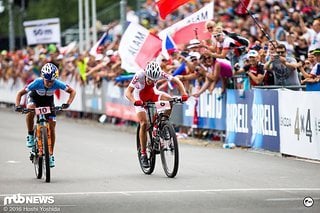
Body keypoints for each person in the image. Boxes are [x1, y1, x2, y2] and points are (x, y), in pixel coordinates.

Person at [125, 61, 188, 168]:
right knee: (144, 123)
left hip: (152, 93)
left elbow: (176, 80)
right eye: (149, 79)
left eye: (154, 80)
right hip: (139, 97)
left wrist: (184, 93)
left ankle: (162, 124)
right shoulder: (139, 74)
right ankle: (143, 154)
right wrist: (134, 101)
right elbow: (128, 92)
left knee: (169, 100)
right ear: (146, 74)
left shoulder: (160, 74)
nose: (151, 81)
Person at [15, 63, 76, 168]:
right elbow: (20, 93)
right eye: (47, 80)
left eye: (52, 81)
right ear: (43, 77)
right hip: (35, 99)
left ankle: (50, 154)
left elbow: (72, 91)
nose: (49, 83)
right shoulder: (37, 82)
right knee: (30, 110)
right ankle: (30, 134)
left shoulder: (57, 83)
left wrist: (68, 103)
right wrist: (17, 106)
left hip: (48, 102)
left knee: (52, 127)